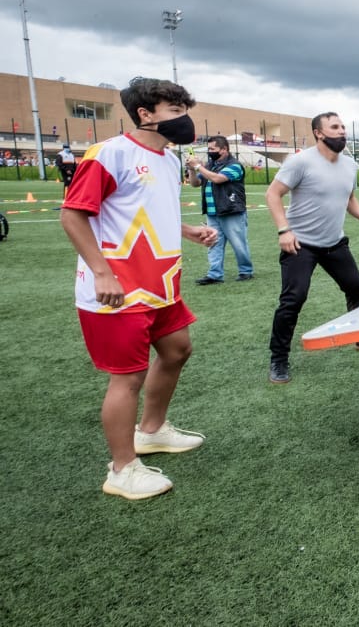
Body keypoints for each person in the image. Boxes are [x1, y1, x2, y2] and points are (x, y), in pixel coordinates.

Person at [60, 77, 218, 500]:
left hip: (161, 283)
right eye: (174, 110)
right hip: (118, 289)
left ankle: (150, 432)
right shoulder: (108, 154)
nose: (185, 120)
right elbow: (73, 216)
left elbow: (147, 212)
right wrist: (101, 272)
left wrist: (187, 231)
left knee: (177, 350)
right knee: (126, 378)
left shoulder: (167, 159)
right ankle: (122, 468)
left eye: (185, 109)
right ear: (145, 114)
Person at [265, 111, 359, 385]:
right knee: (293, 299)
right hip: (300, 244)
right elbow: (272, 194)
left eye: (343, 127)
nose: (342, 131)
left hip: (334, 242)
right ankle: (278, 359)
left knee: (356, 289)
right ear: (319, 133)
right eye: (335, 127)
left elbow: (349, 199)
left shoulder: (349, 165)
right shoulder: (300, 162)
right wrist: (284, 230)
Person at [186, 135, 254, 285]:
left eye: (212, 149)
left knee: (238, 243)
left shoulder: (235, 166)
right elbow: (195, 183)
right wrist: (191, 170)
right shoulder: (210, 166)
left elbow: (217, 179)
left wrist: (198, 166)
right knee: (213, 243)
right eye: (208, 149)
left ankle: (246, 271)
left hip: (231, 209)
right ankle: (215, 274)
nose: (210, 152)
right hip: (212, 211)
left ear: (224, 149)